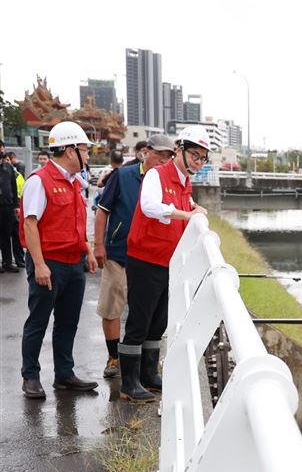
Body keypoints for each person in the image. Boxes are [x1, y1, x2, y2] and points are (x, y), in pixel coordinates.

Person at [119, 126, 209, 402]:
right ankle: (129, 383)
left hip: (168, 262)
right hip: (145, 259)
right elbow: (149, 206)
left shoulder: (184, 182)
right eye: (195, 154)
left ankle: (148, 374)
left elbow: (187, 203)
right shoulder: (157, 175)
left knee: (158, 322)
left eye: (203, 158)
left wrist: (194, 209)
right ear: (179, 150)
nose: (198, 161)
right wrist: (186, 214)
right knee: (139, 321)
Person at [19, 121, 99, 399]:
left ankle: (64, 374)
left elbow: (77, 222)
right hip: (49, 262)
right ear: (69, 150)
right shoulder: (39, 181)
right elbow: (30, 224)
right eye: (85, 151)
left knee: (68, 321)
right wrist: (39, 264)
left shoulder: (75, 182)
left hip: (73, 262)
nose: (88, 157)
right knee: (38, 320)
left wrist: (87, 251)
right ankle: (30, 376)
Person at [93, 136, 174, 378]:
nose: (163, 161)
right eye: (159, 156)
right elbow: (102, 211)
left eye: (168, 157)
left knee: (147, 314)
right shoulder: (124, 176)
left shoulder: (166, 180)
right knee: (112, 307)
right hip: (120, 253)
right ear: (145, 153)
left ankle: (139, 364)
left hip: (151, 257)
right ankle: (114, 357)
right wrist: (99, 245)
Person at [0, 152, 20, 273]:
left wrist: (16, 205)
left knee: (6, 235)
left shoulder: (8, 168)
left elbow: (14, 186)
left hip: (7, 206)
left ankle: (7, 262)